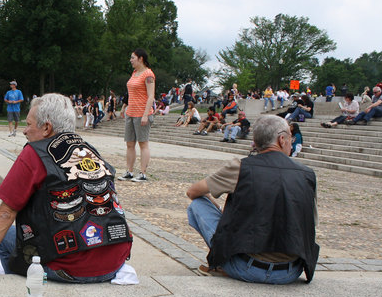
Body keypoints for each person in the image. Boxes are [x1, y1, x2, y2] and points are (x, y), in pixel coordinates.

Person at [0, 93, 134, 283]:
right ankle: (1, 267)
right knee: (10, 236)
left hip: (69, 267)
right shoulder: (90, 151)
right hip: (112, 262)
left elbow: (5, 213)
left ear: (46, 128)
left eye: (29, 124)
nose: (24, 130)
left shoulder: (36, 153)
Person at [186, 115, 319, 284]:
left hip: (244, 267)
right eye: (290, 138)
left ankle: (221, 262)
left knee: (198, 204)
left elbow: (192, 192)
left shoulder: (241, 167)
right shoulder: (307, 174)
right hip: (291, 270)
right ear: (282, 139)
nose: (291, 142)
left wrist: (212, 201)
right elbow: (312, 223)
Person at [118, 47, 155, 182]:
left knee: (143, 144)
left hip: (142, 113)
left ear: (141, 59)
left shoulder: (148, 74)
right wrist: (125, 108)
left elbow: (151, 96)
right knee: (129, 143)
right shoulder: (134, 73)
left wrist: (145, 114)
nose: (131, 60)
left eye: (133, 57)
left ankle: (143, 173)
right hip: (131, 112)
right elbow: (131, 94)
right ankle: (129, 171)